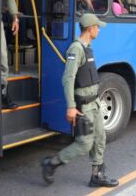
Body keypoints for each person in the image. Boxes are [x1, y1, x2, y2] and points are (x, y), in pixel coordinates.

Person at [41, 13, 119, 188]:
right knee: (84, 144)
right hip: (84, 106)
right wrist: (71, 107)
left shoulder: (88, 47)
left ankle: (97, 176)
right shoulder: (76, 49)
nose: (99, 29)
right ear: (90, 28)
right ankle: (51, 163)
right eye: (97, 26)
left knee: (100, 139)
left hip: (95, 104)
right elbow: (68, 79)